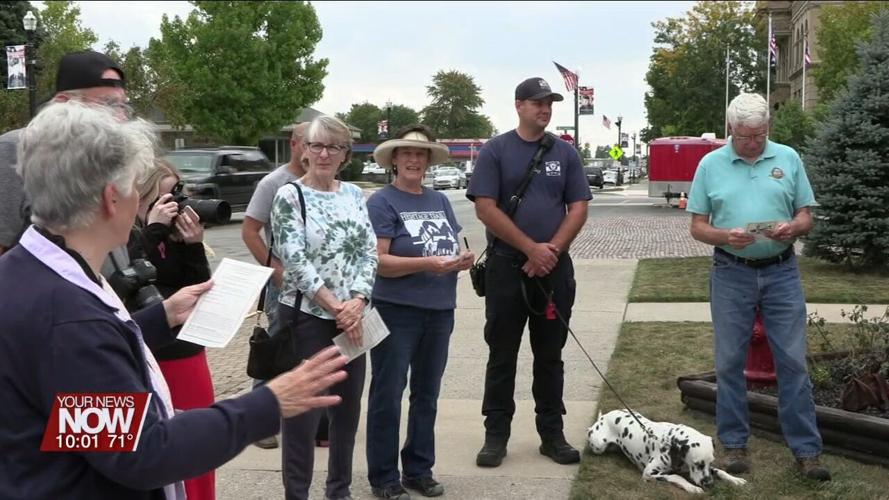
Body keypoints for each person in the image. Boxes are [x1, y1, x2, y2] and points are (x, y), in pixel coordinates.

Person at [0, 100, 349, 500]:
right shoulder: (68, 319)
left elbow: (74, 414)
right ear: (112, 199)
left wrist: (159, 318)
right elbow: (142, 452)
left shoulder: (28, 274)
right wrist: (270, 403)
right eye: (135, 185)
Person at [687, 92, 830, 481]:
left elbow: (806, 215)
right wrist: (723, 236)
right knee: (730, 362)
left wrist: (793, 227)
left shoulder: (788, 158)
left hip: (782, 271)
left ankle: (807, 451)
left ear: (769, 128)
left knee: (793, 361)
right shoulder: (710, 164)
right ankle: (734, 443)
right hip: (731, 271)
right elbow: (697, 226)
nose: (753, 143)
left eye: (760, 135)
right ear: (731, 129)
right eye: (745, 136)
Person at [466, 77, 591, 467]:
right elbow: (485, 207)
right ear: (519, 105)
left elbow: (579, 207)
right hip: (506, 268)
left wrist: (550, 252)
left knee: (550, 355)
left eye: (549, 102)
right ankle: (496, 434)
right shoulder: (496, 151)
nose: (545, 108)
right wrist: (529, 249)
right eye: (537, 102)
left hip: (553, 271)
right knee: (502, 354)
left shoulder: (565, 154)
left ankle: (551, 434)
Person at [270, 115, 378, 500]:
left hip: (353, 318)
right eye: (316, 145)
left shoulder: (352, 195)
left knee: (346, 416)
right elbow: (294, 261)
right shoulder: (289, 196)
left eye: (334, 147)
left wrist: (359, 301)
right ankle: (297, 494)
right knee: (302, 417)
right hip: (309, 319)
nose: (324, 153)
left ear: (345, 155)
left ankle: (339, 491)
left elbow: (369, 252)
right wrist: (337, 308)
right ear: (303, 150)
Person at [364, 125, 474, 499]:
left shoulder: (439, 200)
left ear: (428, 161)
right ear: (394, 160)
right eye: (407, 153)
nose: (414, 159)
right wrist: (428, 264)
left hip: (440, 312)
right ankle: (383, 477)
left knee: (427, 395)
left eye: (421, 154)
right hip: (397, 312)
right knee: (388, 394)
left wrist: (461, 261)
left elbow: (449, 247)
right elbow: (379, 263)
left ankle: (418, 469)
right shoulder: (382, 202)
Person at [129, 159, 216, 500]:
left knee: (200, 447)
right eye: (167, 196)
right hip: (157, 355)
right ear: (143, 197)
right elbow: (135, 281)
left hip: (188, 351)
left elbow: (198, 287)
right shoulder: (128, 235)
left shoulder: (174, 233)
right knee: (168, 450)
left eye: (178, 193)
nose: (176, 204)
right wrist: (152, 229)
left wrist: (193, 244)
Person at [0, 50, 131, 257]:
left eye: (123, 105)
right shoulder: (17, 146)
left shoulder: (107, 156)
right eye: (109, 104)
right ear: (64, 101)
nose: (121, 117)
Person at [242, 121, 311, 450]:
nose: (315, 150)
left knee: (310, 350)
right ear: (295, 143)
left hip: (318, 285)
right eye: (309, 143)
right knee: (276, 349)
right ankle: (259, 421)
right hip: (283, 286)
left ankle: (305, 415)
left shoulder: (326, 182)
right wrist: (275, 272)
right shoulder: (274, 182)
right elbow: (250, 231)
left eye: (323, 144)